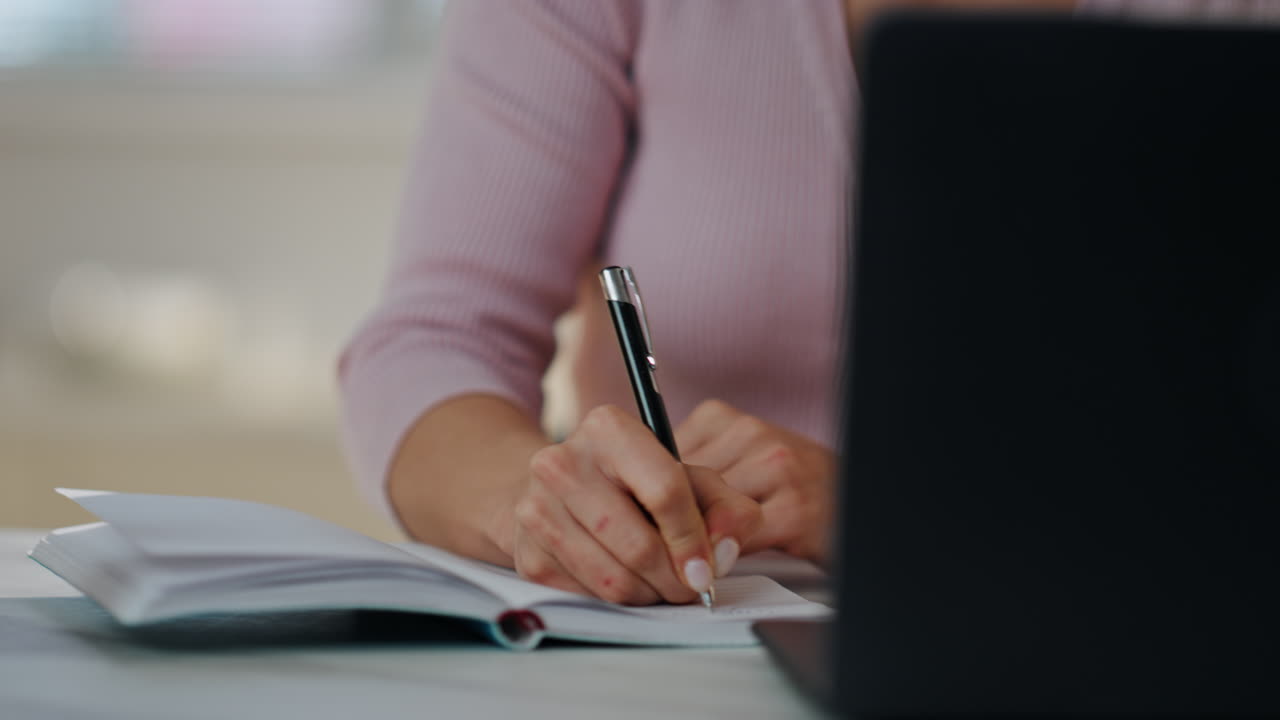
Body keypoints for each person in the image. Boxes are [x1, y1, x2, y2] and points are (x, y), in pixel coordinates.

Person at [339, 0, 1264, 606]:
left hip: (1121, 638)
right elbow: (430, 341)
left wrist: (905, 514)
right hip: (692, 653)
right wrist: (542, 504)